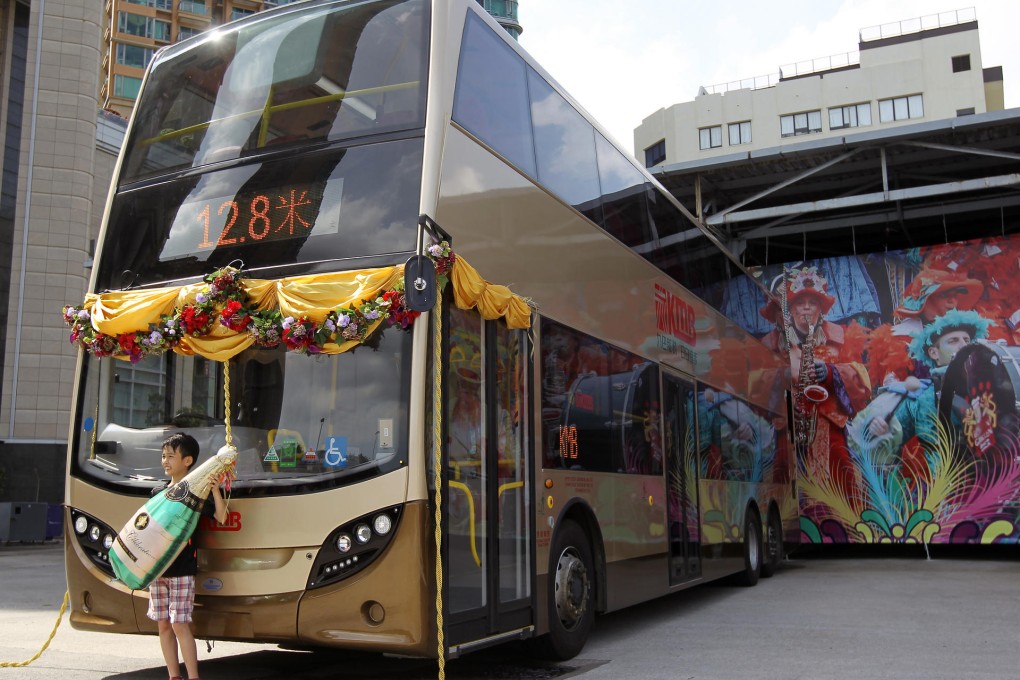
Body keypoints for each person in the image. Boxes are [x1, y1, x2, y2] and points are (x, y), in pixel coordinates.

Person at [759, 266, 871, 500]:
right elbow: (752, 386)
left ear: (821, 310)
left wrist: (831, 372)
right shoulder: (769, 344)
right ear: (789, 310)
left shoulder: (841, 337)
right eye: (800, 302)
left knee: (842, 490)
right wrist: (781, 377)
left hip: (830, 432)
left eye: (814, 302)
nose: (808, 307)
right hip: (789, 432)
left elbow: (862, 379)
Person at [149, 432, 228, 680]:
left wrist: (215, 490)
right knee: (163, 624)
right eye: (163, 456)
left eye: (171, 456)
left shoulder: (197, 492)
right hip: (158, 569)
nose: (165, 461)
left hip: (182, 569)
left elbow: (222, 517)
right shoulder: (157, 492)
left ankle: (193, 676)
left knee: (179, 624)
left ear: (188, 460)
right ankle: (174, 676)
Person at [866, 268, 982, 387]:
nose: (952, 302)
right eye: (945, 295)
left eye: (955, 296)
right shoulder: (900, 340)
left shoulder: (965, 334)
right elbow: (893, 391)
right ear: (925, 300)